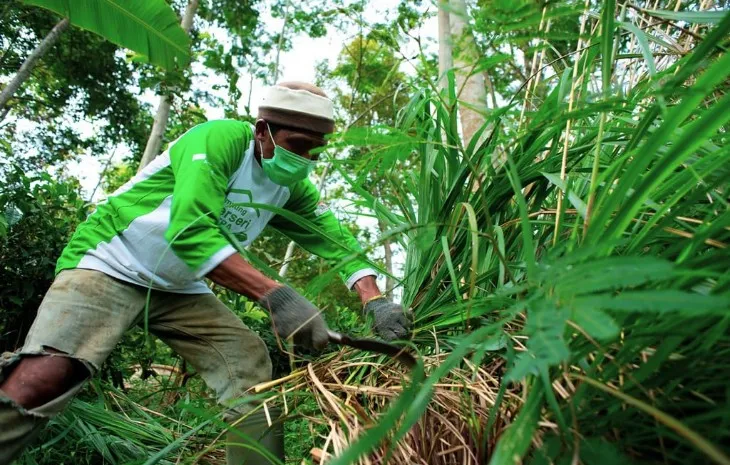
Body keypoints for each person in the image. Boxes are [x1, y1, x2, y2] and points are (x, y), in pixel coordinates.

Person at [0, 82, 411, 464]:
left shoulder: (290, 187)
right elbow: (189, 231)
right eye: (297, 146)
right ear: (262, 131)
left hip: (180, 286)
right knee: (49, 374)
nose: (304, 161)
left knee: (248, 365)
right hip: (110, 260)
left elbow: (334, 239)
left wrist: (373, 299)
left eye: (314, 151)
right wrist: (276, 297)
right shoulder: (220, 140)